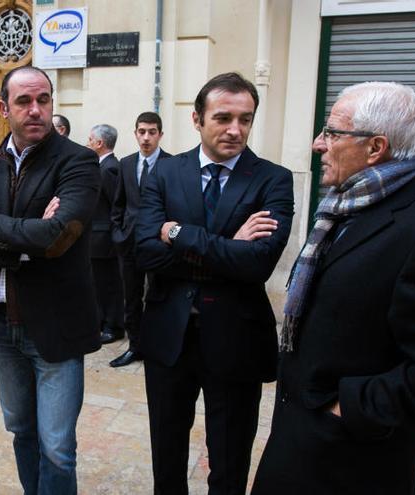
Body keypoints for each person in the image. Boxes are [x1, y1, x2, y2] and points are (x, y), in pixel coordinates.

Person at [251, 82, 415, 495]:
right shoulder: (347, 210)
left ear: (375, 147)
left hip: (352, 465)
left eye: (332, 133)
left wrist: (347, 406)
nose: (317, 143)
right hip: (302, 443)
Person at [135, 72, 294, 494]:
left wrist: (180, 234)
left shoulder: (273, 179)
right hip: (170, 336)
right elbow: (144, 252)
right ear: (197, 119)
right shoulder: (166, 173)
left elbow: (258, 263)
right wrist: (228, 248)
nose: (235, 130)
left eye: (245, 119)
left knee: (230, 459)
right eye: (223, 117)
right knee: (166, 455)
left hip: (237, 339)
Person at [0, 66, 100, 495]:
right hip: (1, 323)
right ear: (3, 108)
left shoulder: (78, 161)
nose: (36, 110)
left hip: (55, 325)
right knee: (21, 429)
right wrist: (24, 237)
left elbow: (57, 238)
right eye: (24, 101)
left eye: (44, 100)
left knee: (57, 446)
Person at [108, 111, 171, 367]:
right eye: (141, 132)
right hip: (129, 243)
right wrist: (118, 233)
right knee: (131, 298)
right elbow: (118, 204)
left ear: (160, 135)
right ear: (135, 133)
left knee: (158, 297)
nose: (146, 138)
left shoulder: (172, 164)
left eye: (152, 132)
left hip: (159, 244)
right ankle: (135, 347)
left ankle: (158, 347)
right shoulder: (125, 163)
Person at [86, 124, 125, 348]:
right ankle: (102, 322)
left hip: (106, 239)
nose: (88, 142)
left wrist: (115, 236)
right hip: (97, 239)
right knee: (99, 284)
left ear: (100, 143)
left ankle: (113, 326)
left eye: (90, 139)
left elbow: (116, 207)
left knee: (109, 285)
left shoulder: (109, 168)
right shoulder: (103, 166)